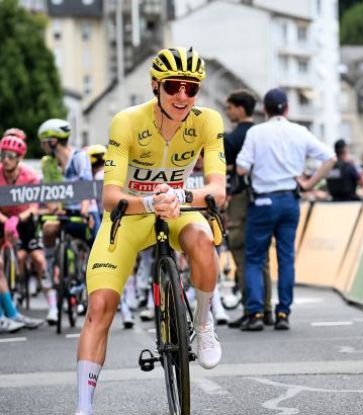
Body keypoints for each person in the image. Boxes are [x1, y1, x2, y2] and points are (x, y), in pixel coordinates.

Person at [74, 47, 226, 415]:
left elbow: (217, 191)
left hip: (177, 206)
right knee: (100, 307)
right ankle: (83, 406)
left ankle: (203, 325)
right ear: (156, 85)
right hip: (130, 213)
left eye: (191, 89)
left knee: (204, 242)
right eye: (173, 86)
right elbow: (110, 197)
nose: (182, 96)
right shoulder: (127, 121)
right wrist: (148, 203)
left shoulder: (208, 122)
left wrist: (179, 194)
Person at [236, 88, 335, 331]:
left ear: (265, 110)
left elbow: (241, 168)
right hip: (290, 199)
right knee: (286, 258)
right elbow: (330, 157)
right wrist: (309, 184)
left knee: (254, 259)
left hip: (262, 200)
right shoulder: (300, 131)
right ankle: (283, 313)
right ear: (287, 109)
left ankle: (256, 312)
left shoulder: (256, 132)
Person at [38, 119, 100, 325]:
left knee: (97, 252)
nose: (42, 145)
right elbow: (49, 190)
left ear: (54, 141)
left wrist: (84, 212)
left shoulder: (79, 157)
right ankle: (49, 271)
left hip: (84, 211)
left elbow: (85, 186)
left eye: (44, 141)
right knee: (48, 228)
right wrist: (54, 209)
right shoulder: (48, 163)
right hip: (64, 212)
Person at [223, 90, 274, 329]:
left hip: (240, 199)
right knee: (261, 257)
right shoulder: (263, 134)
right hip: (263, 197)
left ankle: (250, 309)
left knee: (241, 255)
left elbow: (225, 170)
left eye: (230, 107)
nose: (227, 111)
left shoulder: (232, 139)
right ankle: (267, 309)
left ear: (241, 109)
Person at [0, 134, 44, 330]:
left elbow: (34, 207)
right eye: (2, 155)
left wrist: (17, 219)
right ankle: (5, 316)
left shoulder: (30, 176)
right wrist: (7, 220)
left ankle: (11, 314)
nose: (5, 159)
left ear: (19, 158)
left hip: (22, 219)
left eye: (10, 155)